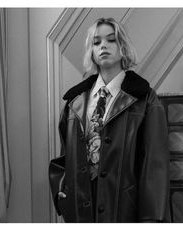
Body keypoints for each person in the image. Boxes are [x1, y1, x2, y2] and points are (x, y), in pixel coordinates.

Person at [49, 17, 170, 223]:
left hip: (124, 208)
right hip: (79, 208)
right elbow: (65, 156)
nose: (103, 45)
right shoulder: (74, 102)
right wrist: (61, 191)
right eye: (96, 42)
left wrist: (152, 220)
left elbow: (155, 166)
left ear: (122, 46)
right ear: (92, 51)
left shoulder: (145, 98)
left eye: (111, 40)